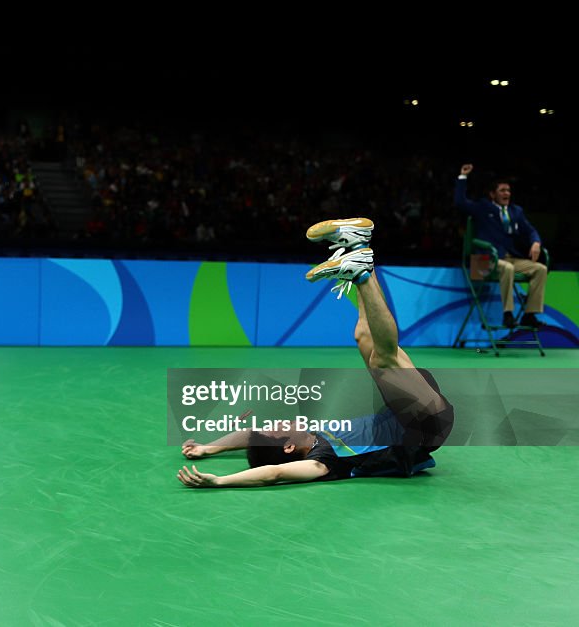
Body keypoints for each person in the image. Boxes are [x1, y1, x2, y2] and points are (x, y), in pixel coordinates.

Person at [177, 218, 455, 488]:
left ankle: (358, 248)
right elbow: (273, 473)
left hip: (400, 410)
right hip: (423, 428)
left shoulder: (315, 434)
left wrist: (208, 449)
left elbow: (249, 435)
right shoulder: (323, 461)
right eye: (277, 428)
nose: (280, 421)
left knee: (363, 336)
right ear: (288, 447)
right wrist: (220, 480)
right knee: (383, 359)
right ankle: (360, 272)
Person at [454, 164, 546, 328]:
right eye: (502, 190)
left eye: (508, 191)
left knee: (540, 269)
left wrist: (536, 242)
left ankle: (529, 315)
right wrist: (463, 177)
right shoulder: (483, 207)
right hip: (484, 261)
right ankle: (508, 314)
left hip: (510, 259)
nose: (507, 194)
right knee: (507, 268)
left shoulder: (516, 211)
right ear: (492, 194)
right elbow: (460, 202)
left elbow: (531, 230)